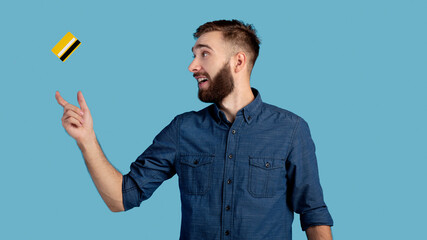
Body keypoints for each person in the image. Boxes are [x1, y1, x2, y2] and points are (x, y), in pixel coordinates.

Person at [56, 19, 333, 240]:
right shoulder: (183, 129)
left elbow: (313, 213)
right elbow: (121, 197)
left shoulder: (291, 129)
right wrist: (87, 140)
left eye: (204, 54)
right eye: (193, 55)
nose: (192, 66)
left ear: (238, 62)